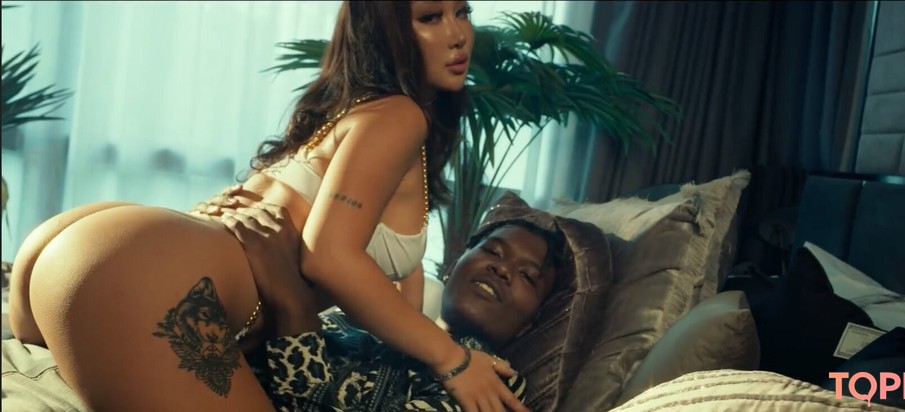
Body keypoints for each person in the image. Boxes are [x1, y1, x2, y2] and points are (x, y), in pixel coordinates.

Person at [7, 1, 526, 411]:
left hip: (80, 248)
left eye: (463, 12)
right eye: (430, 17)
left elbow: (388, 305)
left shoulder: (350, 114)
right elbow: (329, 257)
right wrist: (455, 360)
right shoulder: (400, 117)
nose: (458, 34)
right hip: (146, 279)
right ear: (383, 29)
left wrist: (432, 340)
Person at [219, 201, 564, 411]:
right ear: (451, 267)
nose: (502, 269)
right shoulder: (365, 325)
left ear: (529, 324)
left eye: (527, 276)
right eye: (492, 251)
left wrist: (290, 302)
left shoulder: (498, 384)